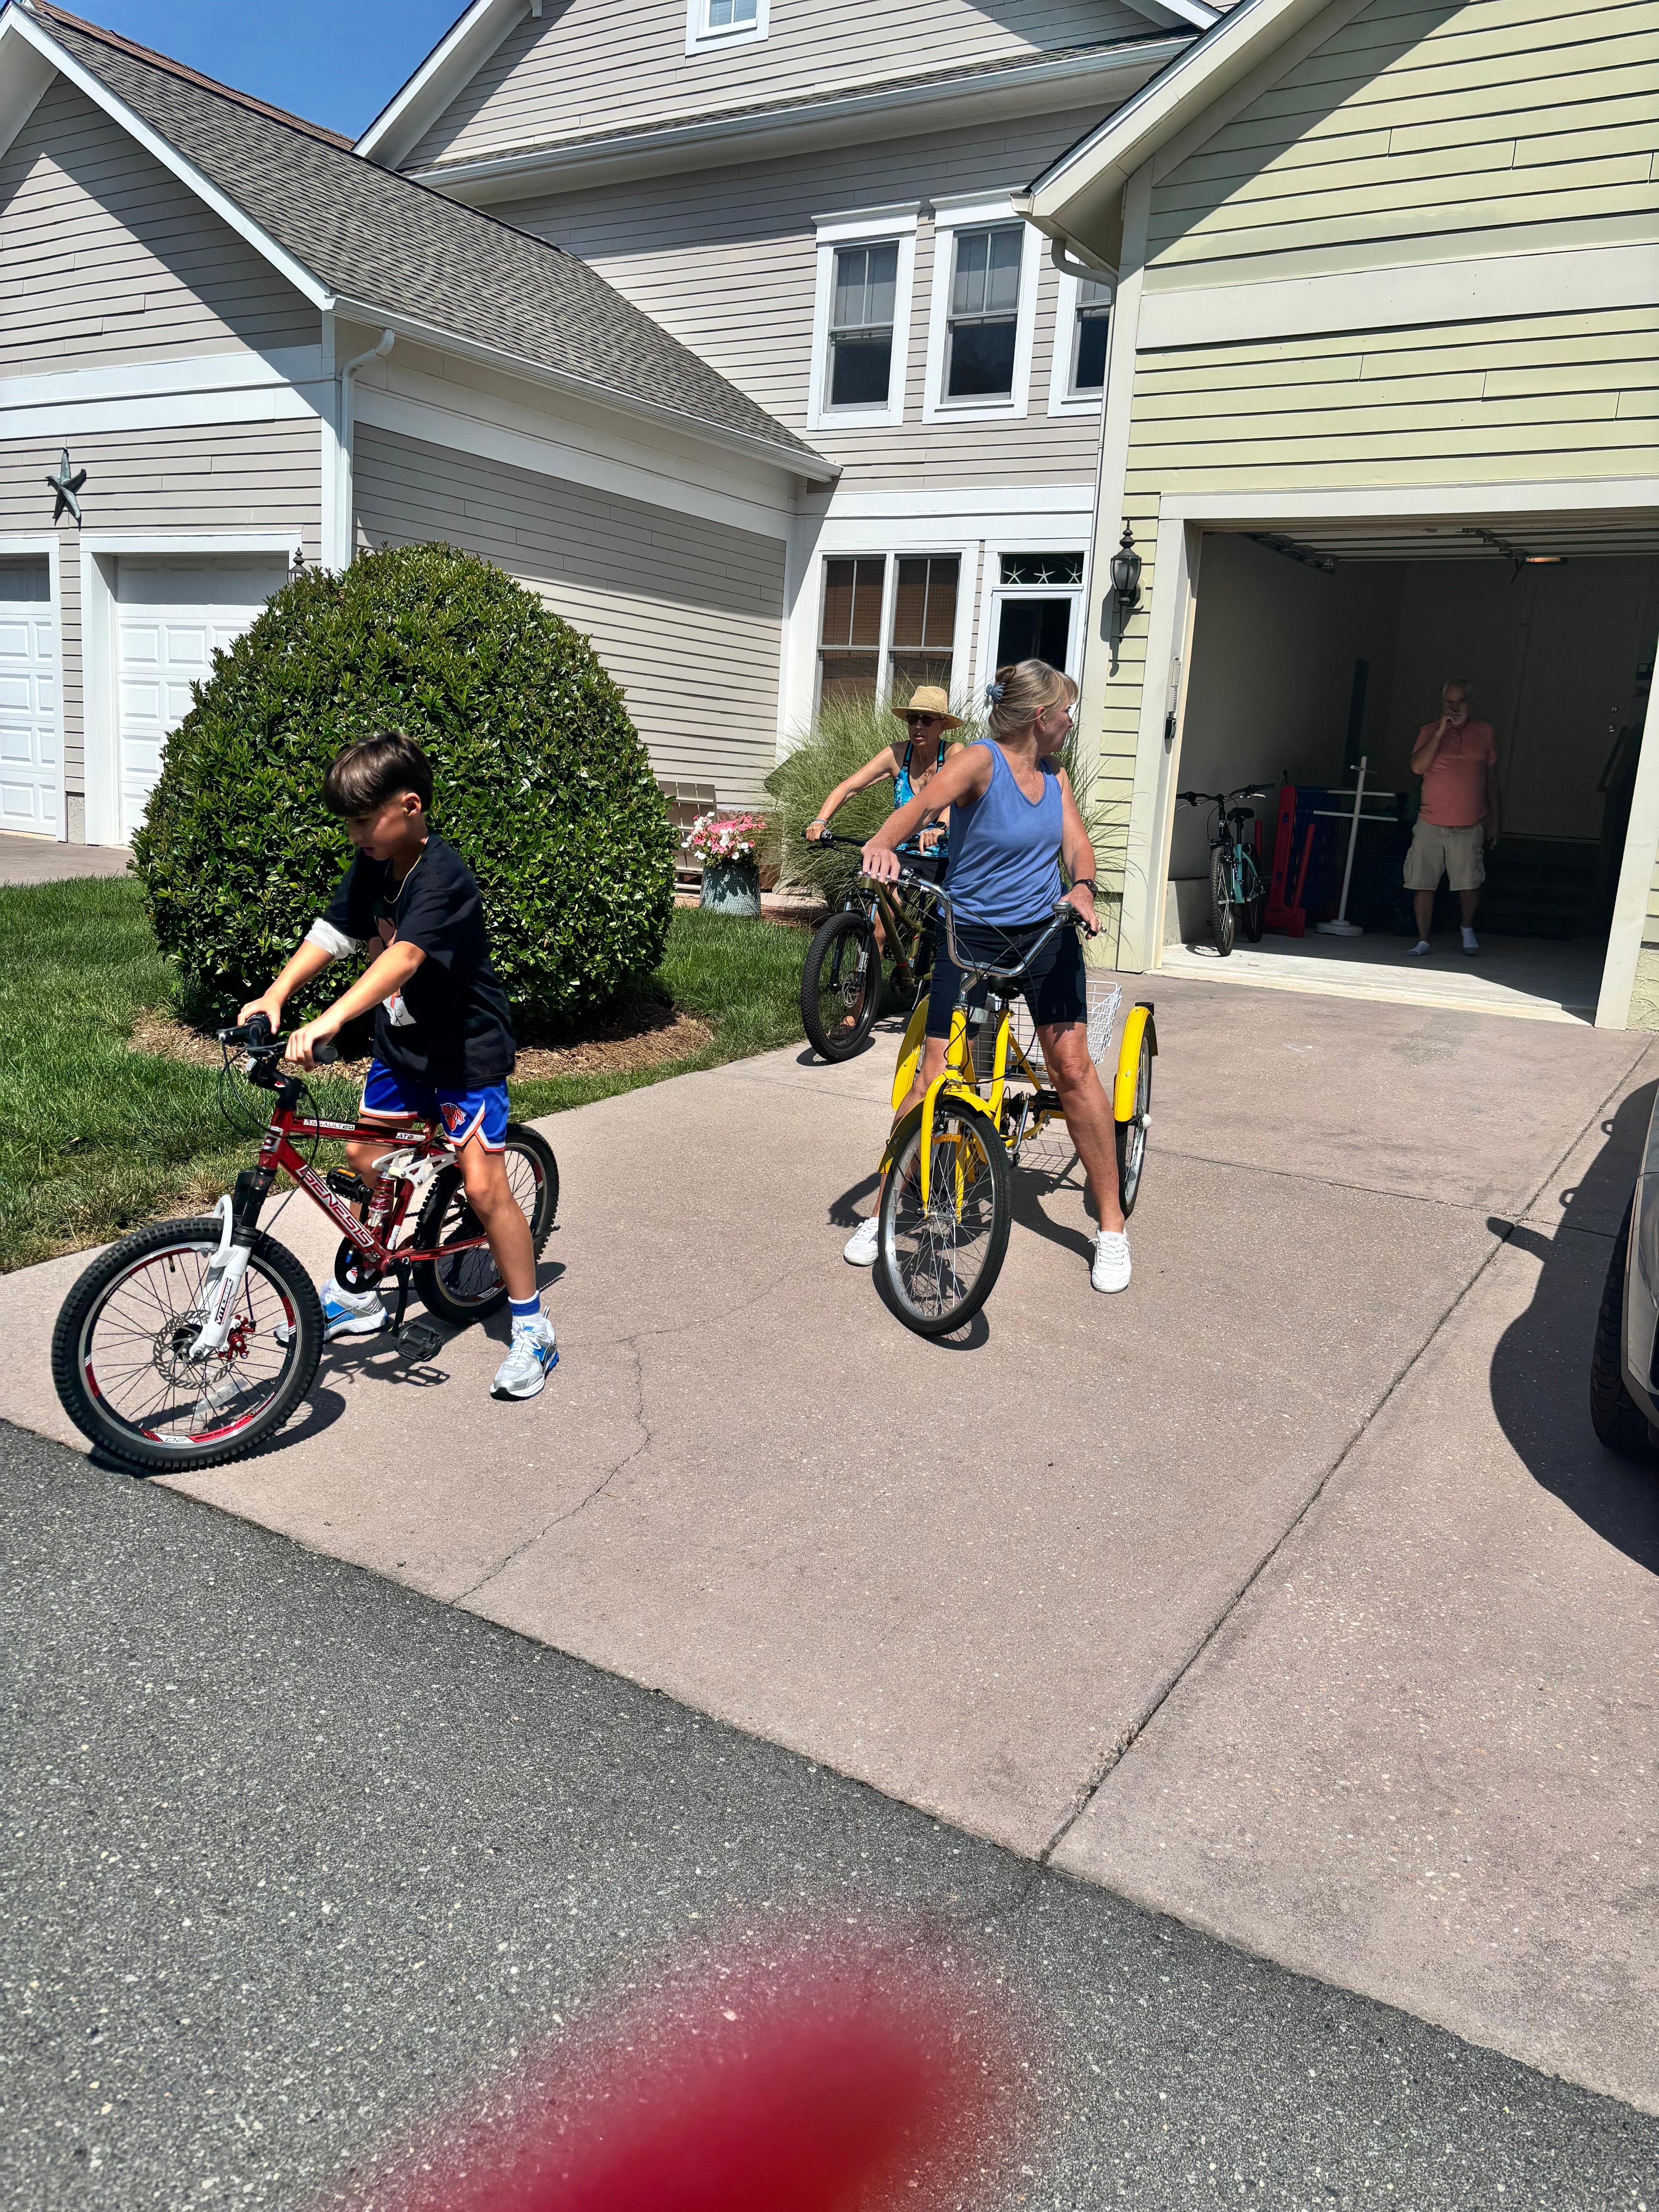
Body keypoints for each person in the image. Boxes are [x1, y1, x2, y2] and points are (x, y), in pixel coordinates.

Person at [237, 733, 559, 1401]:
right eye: (350, 823)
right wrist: (276, 993)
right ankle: (363, 1294)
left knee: (482, 1187)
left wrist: (329, 1019)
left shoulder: (443, 876)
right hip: (404, 1049)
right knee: (362, 1152)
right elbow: (333, 932)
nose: (356, 834)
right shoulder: (372, 862)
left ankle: (532, 1326)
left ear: (409, 807)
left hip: (465, 1053)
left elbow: (403, 958)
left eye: (364, 819)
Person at [842, 659, 1130, 1294]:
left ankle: (1109, 1225)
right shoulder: (978, 760)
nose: (1069, 723)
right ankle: (881, 1210)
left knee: (1072, 1068)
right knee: (931, 1072)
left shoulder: (1053, 777)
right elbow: (918, 807)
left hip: (1043, 933)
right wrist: (883, 844)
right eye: (1066, 712)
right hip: (967, 933)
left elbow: (1075, 845)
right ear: (1039, 717)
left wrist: (1080, 887)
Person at [804, 684, 961, 883]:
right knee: (877, 904)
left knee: (944, 912)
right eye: (913, 719)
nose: (918, 726)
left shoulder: (953, 753)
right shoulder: (897, 754)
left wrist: (940, 827)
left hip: (945, 855)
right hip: (901, 851)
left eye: (927, 720)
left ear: (943, 724)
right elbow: (849, 788)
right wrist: (820, 822)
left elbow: (953, 797)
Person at [1405, 678, 1501, 957]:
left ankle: (1467, 928)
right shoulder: (1429, 731)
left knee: (1469, 882)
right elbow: (1418, 767)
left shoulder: (1485, 732)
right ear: (1442, 703)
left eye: (1461, 702)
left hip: (1469, 822)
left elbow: (1492, 780)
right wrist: (1439, 734)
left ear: (1470, 704)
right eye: (1450, 702)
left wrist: (1496, 820)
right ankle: (1423, 940)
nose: (1455, 707)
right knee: (1423, 881)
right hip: (1431, 821)